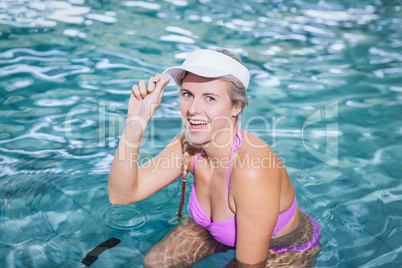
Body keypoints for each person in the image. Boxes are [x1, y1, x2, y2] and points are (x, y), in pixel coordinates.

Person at [108, 48, 322, 267]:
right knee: (156, 263)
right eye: (187, 94)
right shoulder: (188, 145)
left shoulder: (252, 170)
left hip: (282, 249)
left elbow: (250, 265)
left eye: (210, 98)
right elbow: (121, 195)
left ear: (236, 106)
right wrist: (135, 123)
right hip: (215, 233)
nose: (193, 109)